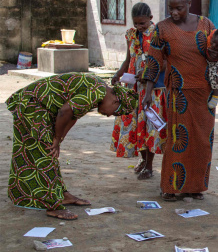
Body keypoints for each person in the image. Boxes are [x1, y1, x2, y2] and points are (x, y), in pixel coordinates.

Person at [6, 73, 137, 220]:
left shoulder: (99, 91)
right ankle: (52, 206)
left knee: (50, 149)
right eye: (113, 113)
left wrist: (59, 139)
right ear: (115, 101)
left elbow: (73, 116)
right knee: (44, 153)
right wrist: (55, 138)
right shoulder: (97, 91)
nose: (107, 116)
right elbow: (65, 111)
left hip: (38, 105)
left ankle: (62, 196)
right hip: (32, 104)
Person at [141, 0, 217, 201]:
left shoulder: (206, 24)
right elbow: (153, 61)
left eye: (179, 8)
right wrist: (147, 92)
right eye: (170, 8)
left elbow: (217, 55)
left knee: (202, 141)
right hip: (178, 95)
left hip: (204, 93)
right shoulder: (162, 28)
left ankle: (195, 187)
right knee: (178, 139)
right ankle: (171, 187)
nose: (174, 13)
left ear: (189, 4)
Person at [110, 2, 167, 180]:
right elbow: (129, 59)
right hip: (133, 88)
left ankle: (149, 166)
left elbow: (165, 62)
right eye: (136, 24)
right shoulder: (131, 35)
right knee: (136, 126)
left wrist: (149, 72)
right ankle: (143, 161)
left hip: (152, 89)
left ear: (151, 18)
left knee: (149, 126)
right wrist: (118, 73)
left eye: (142, 23)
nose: (139, 27)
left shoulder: (159, 34)